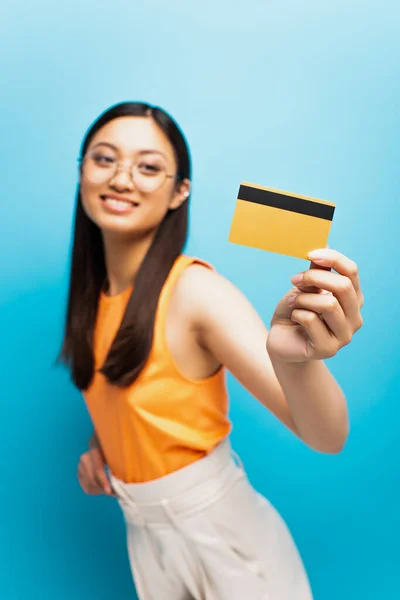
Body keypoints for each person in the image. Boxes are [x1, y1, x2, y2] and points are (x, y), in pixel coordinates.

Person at [60, 101, 364, 600]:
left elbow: (328, 436)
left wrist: (297, 361)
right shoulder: (92, 299)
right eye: (104, 159)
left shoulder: (194, 293)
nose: (121, 178)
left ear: (180, 191)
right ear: (82, 173)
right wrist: (107, 450)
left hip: (227, 542)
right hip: (146, 537)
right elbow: (140, 394)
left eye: (148, 166)